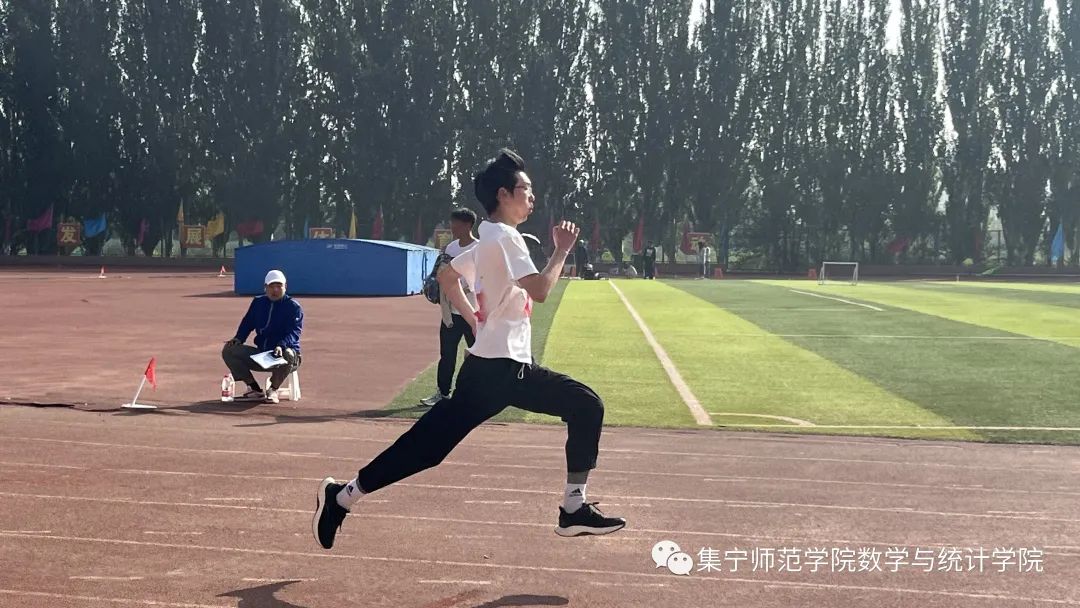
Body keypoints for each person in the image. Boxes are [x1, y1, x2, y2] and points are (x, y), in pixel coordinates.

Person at [312, 149, 625, 549]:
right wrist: (563, 250)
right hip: (502, 371)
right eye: (526, 190)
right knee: (586, 405)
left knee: (428, 447)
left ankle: (342, 497)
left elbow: (447, 276)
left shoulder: (489, 238)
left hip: (494, 369)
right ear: (503, 194)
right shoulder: (505, 237)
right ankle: (572, 508)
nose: (532, 197)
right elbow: (540, 290)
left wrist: (475, 321)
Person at [421, 208, 479, 407]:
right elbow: (440, 272)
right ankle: (443, 392)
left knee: (476, 355)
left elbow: (482, 278)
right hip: (450, 313)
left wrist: (461, 287)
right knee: (447, 354)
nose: (452, 227)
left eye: (457, 224)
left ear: (468, 225)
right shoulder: (450, 248)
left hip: (473, 312)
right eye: (452, 223)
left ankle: (474, 393)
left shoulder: (479, 248)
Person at [222, 269, 303, 404]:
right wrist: (239, 338)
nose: (275, 290)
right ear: (265, 287)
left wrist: (281, 346)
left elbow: (294, 332)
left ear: (285, 286)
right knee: (229, 350)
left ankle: (273, 389)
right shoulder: (258, 303)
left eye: (279, 286)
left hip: (285, 357)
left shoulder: (293, 307)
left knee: (288, 353)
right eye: (271, 286)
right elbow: (247, 323)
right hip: (263, 355)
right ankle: (254, 388)